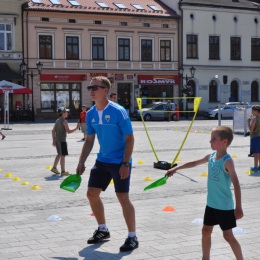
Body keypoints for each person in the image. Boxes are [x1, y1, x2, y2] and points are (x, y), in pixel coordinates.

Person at [76, 76, 138, 252]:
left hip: (120, 161)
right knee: (91, 194)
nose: (91, 90)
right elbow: (89, 140)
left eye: (95, 87)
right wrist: (81, 161)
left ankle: (132, 237)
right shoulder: (90, 114)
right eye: (89, 88)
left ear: (105, 90)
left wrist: (125, 163)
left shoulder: (119, 111)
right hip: (102, 160)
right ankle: (102, 229)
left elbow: (130, 138)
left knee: (122, 197)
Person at [166, 126, 243, 260]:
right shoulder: (212, 156)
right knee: (205, 231)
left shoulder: (228, 161)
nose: (210, 141)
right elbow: (195, 163)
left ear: (224, 142)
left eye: (214, 139)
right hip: (211, 204)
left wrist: (238, 207)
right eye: (211, 138)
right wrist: (176, 168)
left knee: (228, 236)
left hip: (224, 206)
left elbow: (236, 184)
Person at [51, 107, 79, 176]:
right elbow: (68, 131)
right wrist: (76, 128)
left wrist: (53, 140)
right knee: (61, 155)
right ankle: (58, 169)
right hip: (62, 140)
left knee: (61, 154)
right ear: (63, 113)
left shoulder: (57, 120)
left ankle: (59, 169)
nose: (67, 113)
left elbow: (53, 130)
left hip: (58, 140)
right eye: (66, 112)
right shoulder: (64, 121)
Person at [247, 105, 260, 171]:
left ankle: (255, 167)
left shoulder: (254, 119)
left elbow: (251, 130)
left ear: (256, 111)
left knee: (255, 153)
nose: (252, 112)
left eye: (252, 111)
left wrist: (248, 122)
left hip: (255, 137)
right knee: (259, 152)